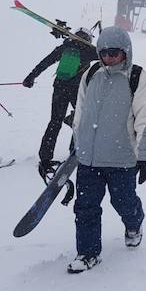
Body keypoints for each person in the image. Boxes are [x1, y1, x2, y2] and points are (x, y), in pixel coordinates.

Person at [67, 26, 146, 273]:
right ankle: (87, 253)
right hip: (89, 159)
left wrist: (145, 157)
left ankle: (134, 223)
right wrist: (78, 142)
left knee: (124, 202)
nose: (109, 58)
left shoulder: (138, 78)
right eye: (104, 53)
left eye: (114, 53)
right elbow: (81, 112)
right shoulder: (91, 74)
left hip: (121, 159)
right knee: (85, 207)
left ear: (125, 52)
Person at [22, 26, 98, 179]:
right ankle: (74, 150)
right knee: (82, 119)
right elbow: (106, 55)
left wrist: (31, 77)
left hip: (60, 88)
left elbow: (45, 62)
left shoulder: (65, 47)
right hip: (77, 89)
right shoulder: (90, 51)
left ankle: (45, 157)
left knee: (55, 121)